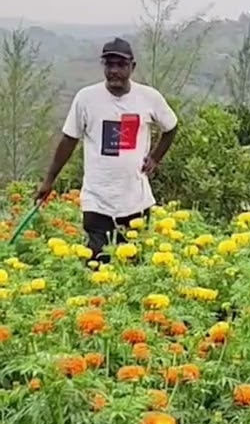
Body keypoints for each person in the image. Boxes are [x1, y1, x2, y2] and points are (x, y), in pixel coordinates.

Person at [36, 38, 179, 263]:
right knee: (97, 263)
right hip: (97, 199)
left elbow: (171, 127)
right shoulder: (86, 98)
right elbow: (69, 140)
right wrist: (49, 180)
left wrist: (155, 157)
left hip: (136, 200)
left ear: (132, 67)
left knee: (133, 267)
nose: (114, 71)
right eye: (109, 65)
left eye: (121, 65)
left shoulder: (149, 97)